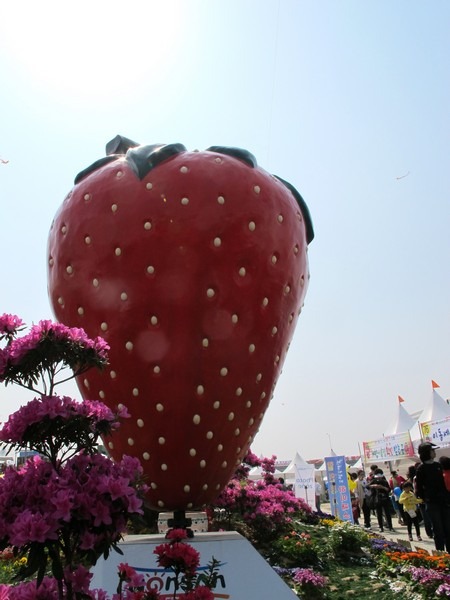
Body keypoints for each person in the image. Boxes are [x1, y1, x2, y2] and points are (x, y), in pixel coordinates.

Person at [415, 442, 450, 552]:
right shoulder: (421, 468)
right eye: (432, 450)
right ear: (427, 453)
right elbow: (419, 488)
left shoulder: (438, 466)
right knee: (438, 530)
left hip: (443, 502)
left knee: (448, 529)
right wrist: (426, 499)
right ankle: (440, 555)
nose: (434, 452)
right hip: (432, 503)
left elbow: (443, 485)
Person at [367, 468, 395, 532]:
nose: (378, 479)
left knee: (387, 513)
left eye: (380, 477)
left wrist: (382, 487)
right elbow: (367, 486)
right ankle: (380, 527)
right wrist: (374, 486)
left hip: (385, 498)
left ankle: (390, 526)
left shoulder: (384, 481)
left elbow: (389, 490)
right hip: (377, 499)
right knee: (379, 514)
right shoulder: (373, 480)